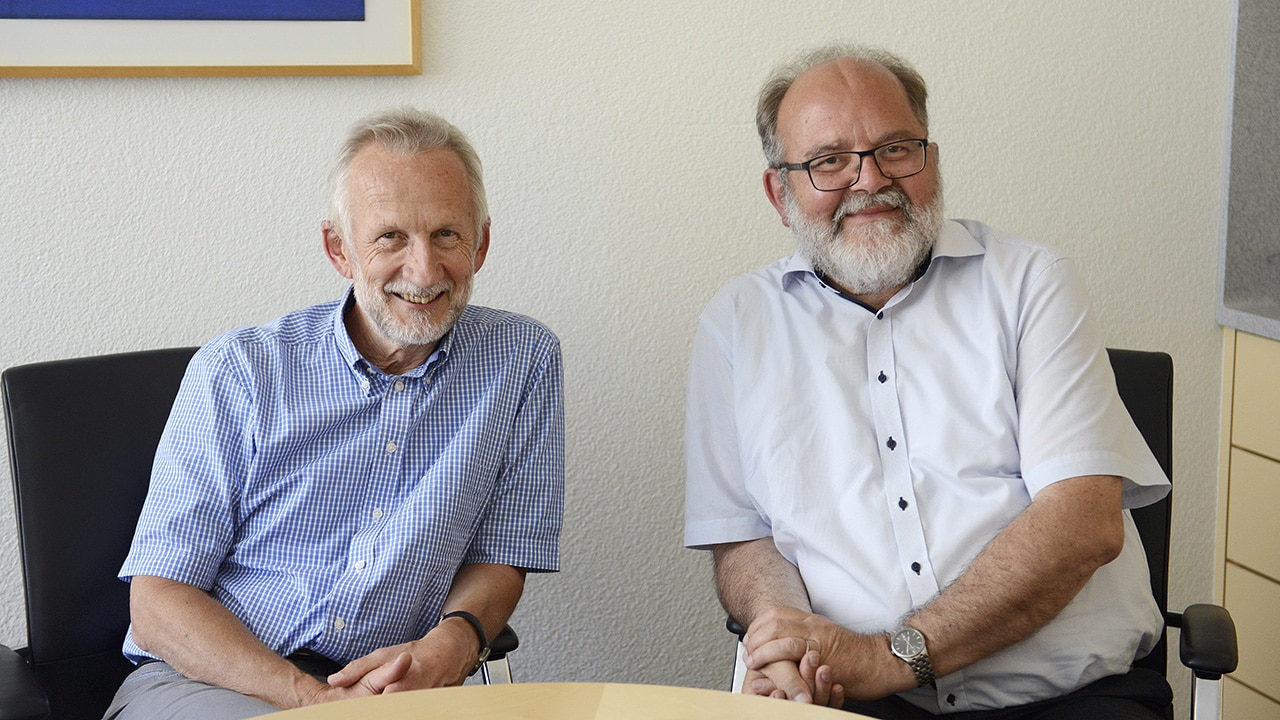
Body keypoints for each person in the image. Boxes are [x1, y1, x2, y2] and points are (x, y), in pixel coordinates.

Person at [683, 45, 1174, 719]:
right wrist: (787, 643)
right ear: (780, 192)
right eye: (829, 161)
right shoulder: (736, 324)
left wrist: (890, 657)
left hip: (1067, 698)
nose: (869, 180)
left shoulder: (1033, 284)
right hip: (850, 698)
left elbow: (1082, 524)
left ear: (931, 160)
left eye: (895, 149)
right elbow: (744, 539)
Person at [104, 107, 565, 720]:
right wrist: (316, 701)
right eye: (390, 237)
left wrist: (453, 644)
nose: (423, 270)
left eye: (446, 235)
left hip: (392, 692)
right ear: (339, 249)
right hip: (212, 683)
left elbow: (501, 556)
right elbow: (157, 604)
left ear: (480, 245)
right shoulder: (239, 371)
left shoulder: (523, 361)